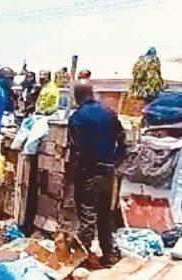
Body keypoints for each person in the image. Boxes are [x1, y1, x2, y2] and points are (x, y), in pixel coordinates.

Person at [68, 79, 126, 267]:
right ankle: (108, 255)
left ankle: (82, 259)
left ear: (77, 96)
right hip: (107, 174)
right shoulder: (108, 112)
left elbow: (75, 149)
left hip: (88, 174)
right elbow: (122, 139)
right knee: (104, 216)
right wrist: (115, 160)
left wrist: (72, 173)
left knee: (87, 217)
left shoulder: (77, 117)